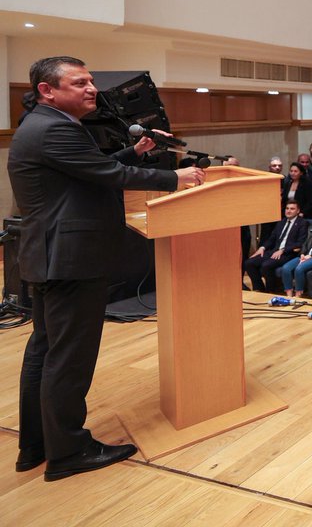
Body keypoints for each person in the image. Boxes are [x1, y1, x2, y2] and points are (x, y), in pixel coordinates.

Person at [10, 56, 203, 481]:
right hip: (71, 260)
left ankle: (37, 444)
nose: (91, 88)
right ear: (48, 90)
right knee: (69, 358)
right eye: (79, 83)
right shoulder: (55, 127)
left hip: (52, 256)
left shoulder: (42, 125)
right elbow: (108, 174)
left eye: (91, 81)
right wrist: (177, 178)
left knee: (45, 352)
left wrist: (134, 150)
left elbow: (84, 174)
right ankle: (69, 451)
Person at [244, 201, 305, 292]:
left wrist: (283, 250)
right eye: (287, 208)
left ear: (298, 211)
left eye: (292, 209)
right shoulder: (282, 222)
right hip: (274, 251)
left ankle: (270, 291)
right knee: (249, 263)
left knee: (266, 265)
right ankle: (259, 288)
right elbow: (272, 238)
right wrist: (262, 248)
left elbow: (300, 243)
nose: (288, 211)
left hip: (288, 253)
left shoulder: (302, 223)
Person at [280, 206, 312, 297]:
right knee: (285, 268)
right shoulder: (311, 227)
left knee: (299, 268)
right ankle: (289, 294)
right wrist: (303, 254)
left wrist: (311, 256)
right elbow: (305, 243)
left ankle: (298, 294)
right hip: (305, 255)